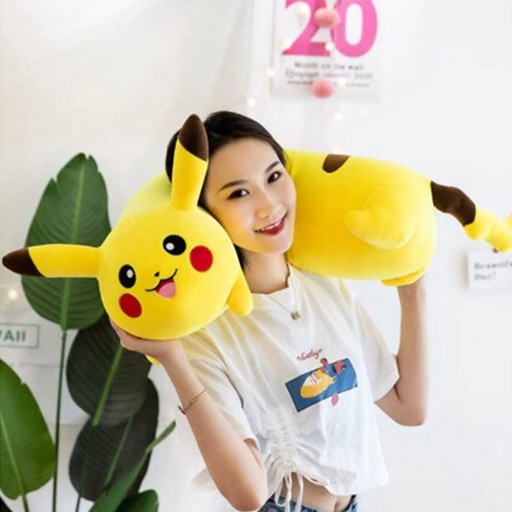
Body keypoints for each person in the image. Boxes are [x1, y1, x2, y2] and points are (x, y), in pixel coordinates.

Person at [111, 111, 428, 512]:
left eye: (274, 176)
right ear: (203, 215)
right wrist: (173, 359)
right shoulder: (205, 332)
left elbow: (407, 406)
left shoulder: (324, 285)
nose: (268, 205)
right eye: (238, 194)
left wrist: (413, 292)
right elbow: (248, 494)